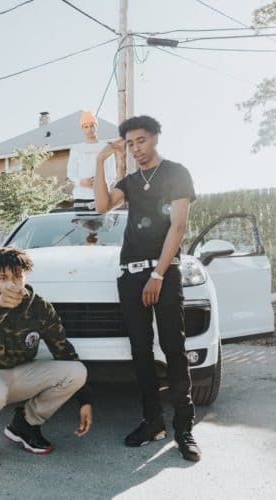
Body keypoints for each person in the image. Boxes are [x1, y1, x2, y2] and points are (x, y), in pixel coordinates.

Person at [93, 115, 201, 462]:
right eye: (130, 143)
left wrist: (158, 274)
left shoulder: (176, 173)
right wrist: (100, 160)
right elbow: (101, 205)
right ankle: (152, 421)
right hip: (129, 274)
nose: (136, 148)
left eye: (141, 140)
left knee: (173, 348)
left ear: (155, 138)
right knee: (140, 351)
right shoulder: (129, 180)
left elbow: (179, 225)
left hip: (163, 274)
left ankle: (184, 428)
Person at [0, 246, 92, 467]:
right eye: (3, 278)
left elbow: (63, 350)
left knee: (77, 372)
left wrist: (85, 400)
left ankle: (24, 426)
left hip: (20, 375)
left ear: (25, 275)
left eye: (17, 276)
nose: (12, 284)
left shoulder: (39, 307)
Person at [66, 110, 118, 207]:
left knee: (101, 222)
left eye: (92, 125)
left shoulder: (106, 148)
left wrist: (100, 183)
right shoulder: (76, 149)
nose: (89, 129)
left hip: (101, 197)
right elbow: (71, 172)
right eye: (86, 126)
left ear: (96, 127)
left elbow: (112, 174)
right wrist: (82, 182)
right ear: (82, 129)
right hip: (80, 198)